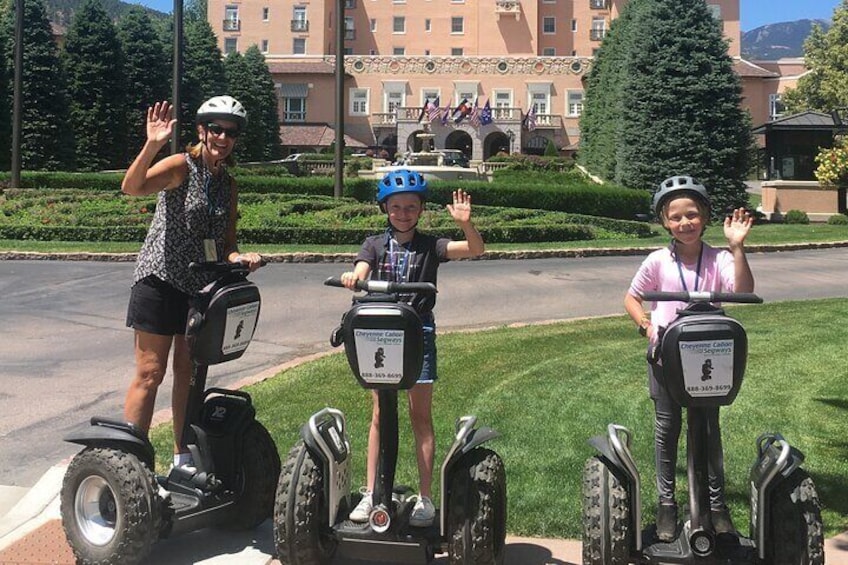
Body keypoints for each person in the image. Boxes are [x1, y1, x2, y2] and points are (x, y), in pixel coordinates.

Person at [121, 97, 265, 470]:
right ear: (202, 130)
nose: (222, 136)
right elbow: (132, 187)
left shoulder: (227, 184)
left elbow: (226, 244)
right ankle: (131, 460)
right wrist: (153, 144)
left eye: (230, 131)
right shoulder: (181, 167)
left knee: (188, 374)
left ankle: (181, 456)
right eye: (215, 128)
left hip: (198, 289)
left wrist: (240, 259)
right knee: (151, 373)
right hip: (160, 280)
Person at [340, 169, 485, 527]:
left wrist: (466, 224)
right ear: (384, 208)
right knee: (379, 414)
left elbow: (476, 249)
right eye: (395, 207)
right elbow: (361, 270)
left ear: (420, 209)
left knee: (420, 416)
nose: (402, 213)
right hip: (380, 334)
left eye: (410, 206)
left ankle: (425, 497)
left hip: (417, 333)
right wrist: (354, 278)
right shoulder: (373, 244)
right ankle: (372, 492)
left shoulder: (431, 245)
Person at [624, 175, 754, 542]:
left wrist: (738, 248)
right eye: (676, 217)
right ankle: (667, 505)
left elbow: (743, 290)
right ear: (665, 221)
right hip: (667, 359)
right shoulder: (657, 261)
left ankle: (716, 507)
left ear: (705, 216)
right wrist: (646, 325)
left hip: (709, 356)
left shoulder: (719, 258)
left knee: (709, 431)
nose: (685, 223)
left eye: (692, 215)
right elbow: (632, 298)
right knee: (667, 431)